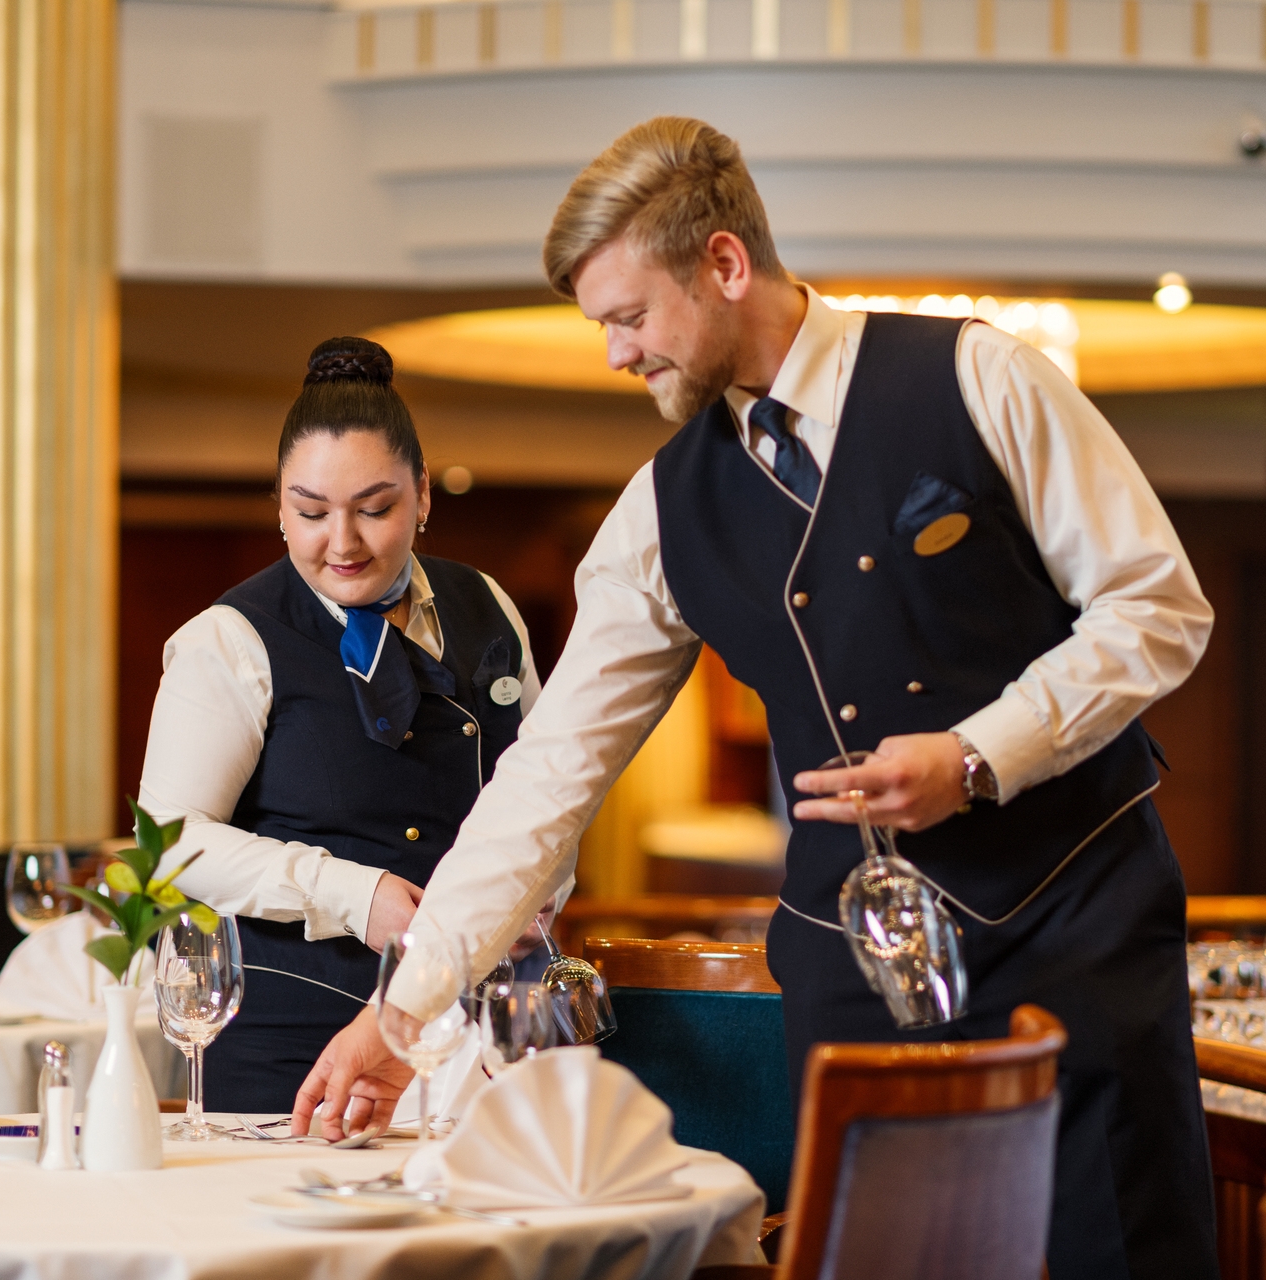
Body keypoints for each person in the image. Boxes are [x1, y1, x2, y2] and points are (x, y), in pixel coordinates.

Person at [291, 120, 1218, 1277]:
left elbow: (1159, 607)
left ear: (725, 266)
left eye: (629, 318)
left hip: (1074, 927)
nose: (617, 355)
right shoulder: (660, 511)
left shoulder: (980, 378)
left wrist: (978, 755)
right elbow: (548, 775)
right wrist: (401, 1012)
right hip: (854, 973)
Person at [137, 336, 550, 1113]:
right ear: (279, 506)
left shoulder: (484, 605)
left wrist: (536, 895)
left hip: (474, 1032)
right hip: (292, 1049)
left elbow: (544, 790)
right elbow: (171, 844)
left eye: (375, 508)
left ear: (423, 493)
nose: (343, 543)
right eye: (311, 512)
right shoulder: (230, 640)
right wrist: (356, 896)